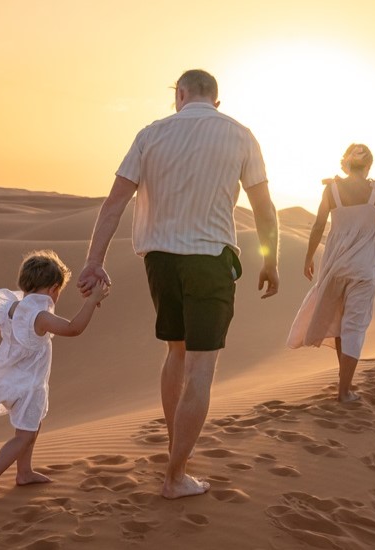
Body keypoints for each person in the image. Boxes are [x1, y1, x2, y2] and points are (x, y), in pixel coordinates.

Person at [76, 69, 279, 499]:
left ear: (180, 95)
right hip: (210, 259)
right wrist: (270, 259)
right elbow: (263, 206)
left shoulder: (151, 133)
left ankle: (176, 454)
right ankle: (175, 476)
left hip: (160, 260)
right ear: (216, 101)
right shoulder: (240, 134)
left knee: (175, 353)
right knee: (201, 368)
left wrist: (94, 261)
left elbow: (114, 203)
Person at [0, 250, 109, 498]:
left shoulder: (10, 308)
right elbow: (73, 328)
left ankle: (24, 473)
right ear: (53, 288)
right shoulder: (41, 316)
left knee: (31, 428)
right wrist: (91, 302)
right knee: (25, 436)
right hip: (29, 386)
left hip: (11, 381)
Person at [287, 144, 375, 403]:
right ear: (369, 165)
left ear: (346, 164)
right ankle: (344, 391)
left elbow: (317, 226)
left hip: (335, 265)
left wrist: (308, 258)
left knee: (339, 323)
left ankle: (344, 382)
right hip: (362, 269)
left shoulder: (332, 189)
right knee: (354, 327)